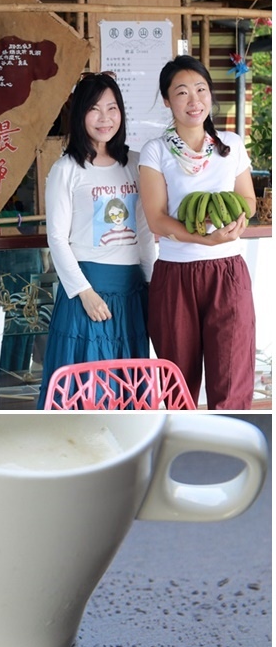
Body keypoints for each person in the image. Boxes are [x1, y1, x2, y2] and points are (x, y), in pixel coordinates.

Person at [138, 55, 257, 409]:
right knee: (178, 383)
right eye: (182, 92)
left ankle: (231, 452)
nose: (195, 101)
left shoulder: (232, 145)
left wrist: (240, 220)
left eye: (201, 90)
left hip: (228, 272)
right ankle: (182, 453)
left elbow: (247, 199)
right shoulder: (155, 151)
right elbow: (157, 219)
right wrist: (200, 238)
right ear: (166, 101)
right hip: (176, 275)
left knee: (232, 378)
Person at [37, 73, 155, 408]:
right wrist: (84, 292)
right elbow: (57, 238)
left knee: (128, 389)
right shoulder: (66, 169)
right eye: (94, 109)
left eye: (112, 108)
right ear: (79, 115)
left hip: (133, 293)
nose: (105, 118)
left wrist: (153, 283)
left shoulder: (135, 164)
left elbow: (145, 231)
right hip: (87, 293)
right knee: (86, 390)